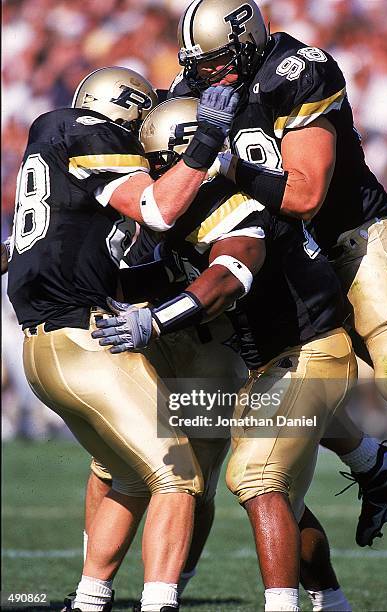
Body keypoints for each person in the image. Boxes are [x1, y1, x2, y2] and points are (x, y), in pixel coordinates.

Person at [93, 95, 357, 612]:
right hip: (275, 361)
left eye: (157, 161)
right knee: (284, 497)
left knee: (253, 475)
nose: (152, 175)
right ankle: (333, 599)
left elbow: (227, 277)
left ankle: (281, 606)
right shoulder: (200, 203)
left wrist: (155, 321)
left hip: (308, 352)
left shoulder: (227, 200)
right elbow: (164, 274)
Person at [172, 0, 387, 548]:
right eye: (200, 64)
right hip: (282, 263)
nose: (208, 73)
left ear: (248, 39)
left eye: (218, 60)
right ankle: (376, 463)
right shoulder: (200, 86)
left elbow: (304, 195)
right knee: (283, 387)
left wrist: (225, 161)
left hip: (349, 243)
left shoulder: (295, 71)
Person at [6, 65, 240, 612]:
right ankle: (160, 603)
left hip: (46, 347)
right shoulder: (91, 133)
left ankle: (89, 600)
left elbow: (45, 237)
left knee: (128, 476)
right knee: (179, 476)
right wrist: (204, 141)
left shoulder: (52, 136)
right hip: (80, 341)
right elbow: (157, 209)